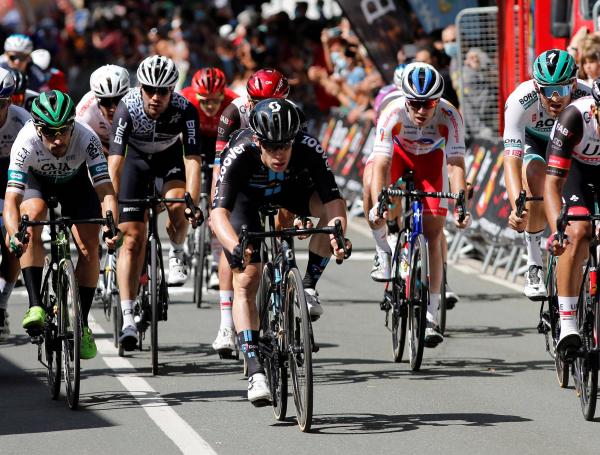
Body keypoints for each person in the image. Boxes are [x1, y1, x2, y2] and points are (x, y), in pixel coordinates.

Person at [211, 98, 349, 404]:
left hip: (291, 191)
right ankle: (255, 367)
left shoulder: (308, 147)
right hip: (247, 198)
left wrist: (338, 233)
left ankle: (309, 286)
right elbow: (218, 214)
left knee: (330, 219)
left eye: (285, 146)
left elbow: (333, 200)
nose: (279, 154)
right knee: (247, 276)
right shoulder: (240, 151)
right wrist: (235, 248)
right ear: (258, 140)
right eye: (272, 147)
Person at [3, 90, 120, 358]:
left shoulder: (86, 136)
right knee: (30, 218)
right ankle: (35, 306)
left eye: (63, 131)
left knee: (90, 245)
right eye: (49, 132)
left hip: (75, 184)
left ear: (72, 125)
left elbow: (106, 191)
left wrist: (112, 227)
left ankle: (82, 323)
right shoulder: (25, 141)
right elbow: (11, 199)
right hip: (38, 183)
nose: (57, 139)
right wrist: (13, 234)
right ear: (37, 128)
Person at [369, 62, 470, 346]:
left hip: (430, 161)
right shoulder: (393, 112)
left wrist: (461, 204)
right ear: (405, 99)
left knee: (434, 234)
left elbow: (455, 164)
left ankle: (431, 314)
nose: (422, 111)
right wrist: (380, 202)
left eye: (428, 105)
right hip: (398, 157)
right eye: (415, 104)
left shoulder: (450, 115)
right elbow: (381, 164)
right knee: (381, 197)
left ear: (438, 101)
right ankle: (390, 241)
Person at [108, 55, 202, 350]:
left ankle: (177, 251)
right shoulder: (128, 107)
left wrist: (193, 204)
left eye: (163, 91)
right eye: (150, 89)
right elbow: (114, 162)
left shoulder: (185, 108)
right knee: (132, 239)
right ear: (140, 87)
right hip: (135, 161)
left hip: (169, 159)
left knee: (177, 204)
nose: (156, 97)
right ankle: (127, 319)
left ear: (173, 90)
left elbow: (193, 160)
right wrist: (109, 212)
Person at [210, 68, 302, 357]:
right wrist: (217, 203)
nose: (259, 106)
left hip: (276, 177)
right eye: (255, 100)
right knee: (234, 248)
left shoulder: (292, 116)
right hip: (242, 180)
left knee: (286, 218)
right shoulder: (233, 112)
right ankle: (227, 324)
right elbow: (219, 165)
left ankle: (289, 285)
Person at [503, 49, 591, 301]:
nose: (554, 98)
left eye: (562, 91)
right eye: (546, 90)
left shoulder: (587, 96)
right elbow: (511, 160)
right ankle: (533, 263)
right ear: (535, 87)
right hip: (536, 142)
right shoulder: (520, 100)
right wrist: (516, 207)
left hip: (571, 144)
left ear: (574, 85)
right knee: (535, 178)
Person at [545, 78, 600, 356]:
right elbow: (552, 185)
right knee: (577, 230)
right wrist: (558, 231)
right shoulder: (574, 117)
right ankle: (567, 322)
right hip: (573, 171)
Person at [180, 67, 238, 291]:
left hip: (221, 140)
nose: (211, 106)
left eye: (216, 101)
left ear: (224, 96)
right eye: (205, 101)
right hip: (195, 140)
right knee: (187, 187)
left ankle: (215, 264)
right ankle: (186, 235)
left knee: (218, 203)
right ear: (196, 95)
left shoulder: (233, 102)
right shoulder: (185, 99)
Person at [0, 68, 30, 340]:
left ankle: (2, 303)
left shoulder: (22, 121)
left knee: (13, 242)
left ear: (9, 102)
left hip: (13, 175)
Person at [76, 64, 130, 154]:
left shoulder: (135, 103)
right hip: (100, 145)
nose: (113, 108)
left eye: (118, 100)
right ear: (96, 98)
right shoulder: (85, 114)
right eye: (106, 101)